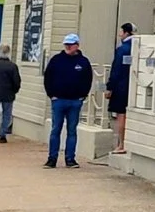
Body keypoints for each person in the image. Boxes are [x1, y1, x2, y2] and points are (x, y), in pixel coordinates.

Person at [42, 34, 94, 168]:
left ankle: (70, 159)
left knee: (72, 131)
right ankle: (52, 158)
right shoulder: (56, 60)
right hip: (58, 100)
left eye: (70, 45)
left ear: (77, 45)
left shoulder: (83, 62)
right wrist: (51, 95)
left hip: (75, 101)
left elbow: (88, 79)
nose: (68, 47)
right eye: (66, 45)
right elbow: (48, 77)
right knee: (56, 129)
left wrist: (82, 95)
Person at [106, 23, 135, 156]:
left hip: (120, 86)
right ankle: (126, 142)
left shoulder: (122, 49)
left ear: (125, 33)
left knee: (120, 114)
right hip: (133, 85)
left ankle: (121, 144)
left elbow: (116, 69)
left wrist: (110, 87)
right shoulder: (137, 47)